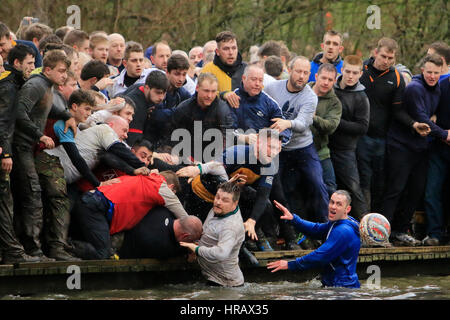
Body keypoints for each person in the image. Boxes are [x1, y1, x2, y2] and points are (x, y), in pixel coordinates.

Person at [11, 50, 76, 261]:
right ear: (48, 70)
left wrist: (68, 115)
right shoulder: (35, 85)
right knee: (32, 193)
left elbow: (49, 108)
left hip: (28, 149)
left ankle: (42, 248)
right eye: (61, 71)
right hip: (20, 146)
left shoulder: (47, 86)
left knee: (37, 194)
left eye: (66, 72)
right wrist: (40, 135)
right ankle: (33, 250)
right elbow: (19, 112)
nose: (65, 76)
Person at [357, 37, 430, 212]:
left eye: (391, 58)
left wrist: (414, 125)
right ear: (375, 53)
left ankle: (378, 225)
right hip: (360, 137)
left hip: (382, 139)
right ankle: (362, 222)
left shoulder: (396, 78)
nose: (386, 61)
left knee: (380, 183)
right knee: (362, 182)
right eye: (383, 56)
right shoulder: (360, 71)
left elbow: (398, 111)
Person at [382, 54, 448, 246]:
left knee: (416, 190)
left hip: (421, 149)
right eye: (429, 72)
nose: (432, 76)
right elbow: (422, 118)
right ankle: (384, 232)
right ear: (422, 71)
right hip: (401, 146)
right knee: (395, 189)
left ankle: (401, 231)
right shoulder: (414, 88)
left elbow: (433, 113)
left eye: (436, 73)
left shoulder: (437, 89)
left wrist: (436, 117)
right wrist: (444, 135)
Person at [265, 56, 329, 223]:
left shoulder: (310, 96)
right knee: (281, 189)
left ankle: (325, 227)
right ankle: (286, 230)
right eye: (298, 71)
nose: (302, 76)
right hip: (279, 150)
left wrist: (287, 123)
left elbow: (303, 123)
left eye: (306, 73)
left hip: (303, 147)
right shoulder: (272, 88)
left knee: (317, 183)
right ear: (289, 71)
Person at [71, 170, 189, 260]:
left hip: (89, 200)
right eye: (174, 194)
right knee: (103, 254)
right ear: (171, 187)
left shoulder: (145, 175)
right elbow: (186, 220)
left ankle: (68, 245)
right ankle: (67, 248)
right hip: (95, 207)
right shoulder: (162, 189)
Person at [267, 190, 361, 288]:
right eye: (332, 202)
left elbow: (320, 256)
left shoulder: (342, 231)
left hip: (341, 289)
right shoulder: (344, 221)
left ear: (347, 209)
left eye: (339, 204)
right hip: (341, 285)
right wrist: (294, 219)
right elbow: (318, 229)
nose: (333, 207)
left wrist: (289, 264)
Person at [0, 45, 40, 264]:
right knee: (5, 200)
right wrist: (6, 152)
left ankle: (10, 250)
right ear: (16, 63)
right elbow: (3, 122)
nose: (33, 69)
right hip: (4, 151)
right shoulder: (8, 86)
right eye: (30, 64)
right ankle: (13, 252)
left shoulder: (15, 83)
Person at [180, 181, 245, 287]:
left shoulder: (231, 227)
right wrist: (196, 245)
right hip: (212, 278)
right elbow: (206, 231)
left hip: (227, 284)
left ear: (235, 203)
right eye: (217, 197)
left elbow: (221, 253)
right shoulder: (219, 209)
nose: (218, 202)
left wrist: (196, 249)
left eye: (225, 200)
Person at [329, 55, 370, 220]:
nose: (350, 76)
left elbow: (362, 127)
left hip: (346, 149)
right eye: (348, 72)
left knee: (353, 187)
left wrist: (335, 123)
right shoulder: (331, 88)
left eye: (354, 73)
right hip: (325, 146)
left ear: (360, 73)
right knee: (328, 188)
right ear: (342, 70)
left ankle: (368, 228)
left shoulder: (361, 97)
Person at [171, 72, 233, 160]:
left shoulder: (222, 109)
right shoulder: (184, 109)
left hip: (214, 158)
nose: (209, 96)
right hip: (188, 157)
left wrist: (214, 162)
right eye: (206, 91)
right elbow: (175, 137)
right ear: (197, 88)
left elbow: (227, 138)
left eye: (213, 91)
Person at [423, 75, 450, 246]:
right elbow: (428, 113)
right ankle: (435, 233)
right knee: (432, 191)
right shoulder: (441, 86)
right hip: (439, 147)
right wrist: (442, 133)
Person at [309, 63, 342, 197]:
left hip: (320, 150)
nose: (326, 82)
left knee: (330, 187)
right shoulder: (303, 92)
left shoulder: (335, 102)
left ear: (334, 81)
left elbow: (330, 126)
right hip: (297, 148)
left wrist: (313, 118)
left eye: (330, 80)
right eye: (323, 78)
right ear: (316, 76)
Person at [118, 206, 203, 259]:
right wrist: (188, 252)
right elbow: (176, 252)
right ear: (184, 236)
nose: (192, 243)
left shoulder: (163, 210)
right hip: (124, 254)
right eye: (191, 241)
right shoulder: (164, 246)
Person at [201, 31, 246, 109]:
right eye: (226, 49)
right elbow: (199, 96)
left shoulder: (247, 69)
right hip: (215, 117)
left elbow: (259, 96)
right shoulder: (208, 70)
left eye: (234, 48)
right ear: (217, 52)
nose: (231, 52)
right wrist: (223, 95)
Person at [123, 70, 169, 146]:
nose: (162, 97)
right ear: (147, 87)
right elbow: (134, 142)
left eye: (164, 93)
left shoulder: (144, 90)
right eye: (158, 93)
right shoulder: (134, 104)